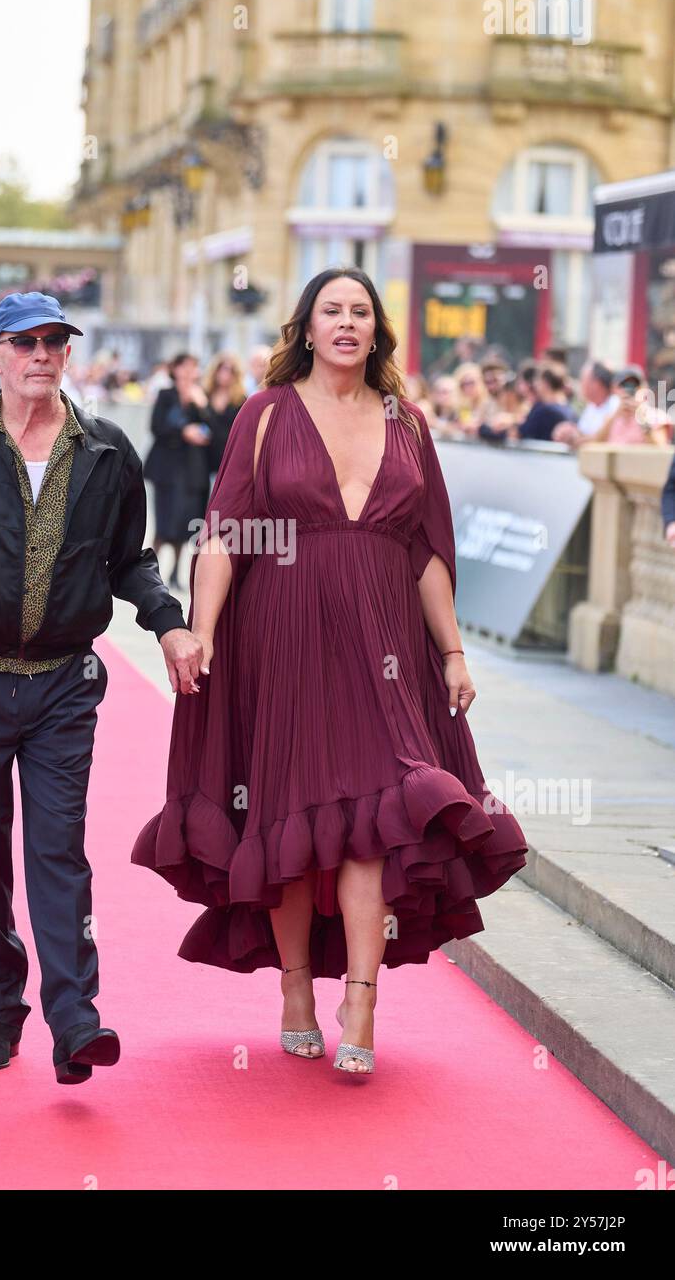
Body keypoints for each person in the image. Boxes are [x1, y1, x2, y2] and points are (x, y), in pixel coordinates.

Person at [131, 268, 528, 1079]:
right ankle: (295, 992)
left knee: (380, 817)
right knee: (291, 818)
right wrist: (201, 630)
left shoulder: (407, 423)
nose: (346, 323)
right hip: (282, 638)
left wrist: (452, 650)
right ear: (305, 329)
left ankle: (362, 999)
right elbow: (224, 533)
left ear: (377, 330)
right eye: (330, 311)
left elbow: (426, 554)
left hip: (384, 644)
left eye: (360, 312)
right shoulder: (266, 415)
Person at [0, 291, 201, 1085]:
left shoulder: (107, 451)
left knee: (58, 847)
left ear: (68, 355)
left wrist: (167, 622)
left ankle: (76, 1019)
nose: (41, 355)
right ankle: (1, 1006)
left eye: (55, 342)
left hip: (66, 683)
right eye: (24, 342)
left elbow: (129, 558)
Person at [143, 353, 214, 589]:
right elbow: (156, 426)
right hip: (167, 467)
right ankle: (149, 571)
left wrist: (202, 405)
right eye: (184, 367)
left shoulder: (201, 396)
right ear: (175, 369)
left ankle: (174, 573)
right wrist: (183, 432)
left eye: (193, 367)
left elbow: (213, 430)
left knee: (185, 523)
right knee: (164, 521)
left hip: (191, 469)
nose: (188, 372)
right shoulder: (166, 395)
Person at [590, 365, 671, 447]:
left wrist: (641, 418)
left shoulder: (656, 417)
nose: (628, 390)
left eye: (634, 385)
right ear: (614, 389)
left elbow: (661, 448)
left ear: (644, 387)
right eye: (624, 386)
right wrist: (615, 415)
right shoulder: (610, 418)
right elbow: (595, 445)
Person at [552, 360, 619, 448]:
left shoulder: (616, 407)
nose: (581, 384)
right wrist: (569, 432)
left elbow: (600, 440)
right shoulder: (591, 406)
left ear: (597, 383)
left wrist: (576, 439)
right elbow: (583, 434)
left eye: (583, 380)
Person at [201, 351, 247, 475]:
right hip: (203, 458)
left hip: (227, 459)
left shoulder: (241, 400)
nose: (225, 374)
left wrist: (205, 408)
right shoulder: (204, 394)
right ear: (215, 371)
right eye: (221, 368)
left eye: (230, 370)